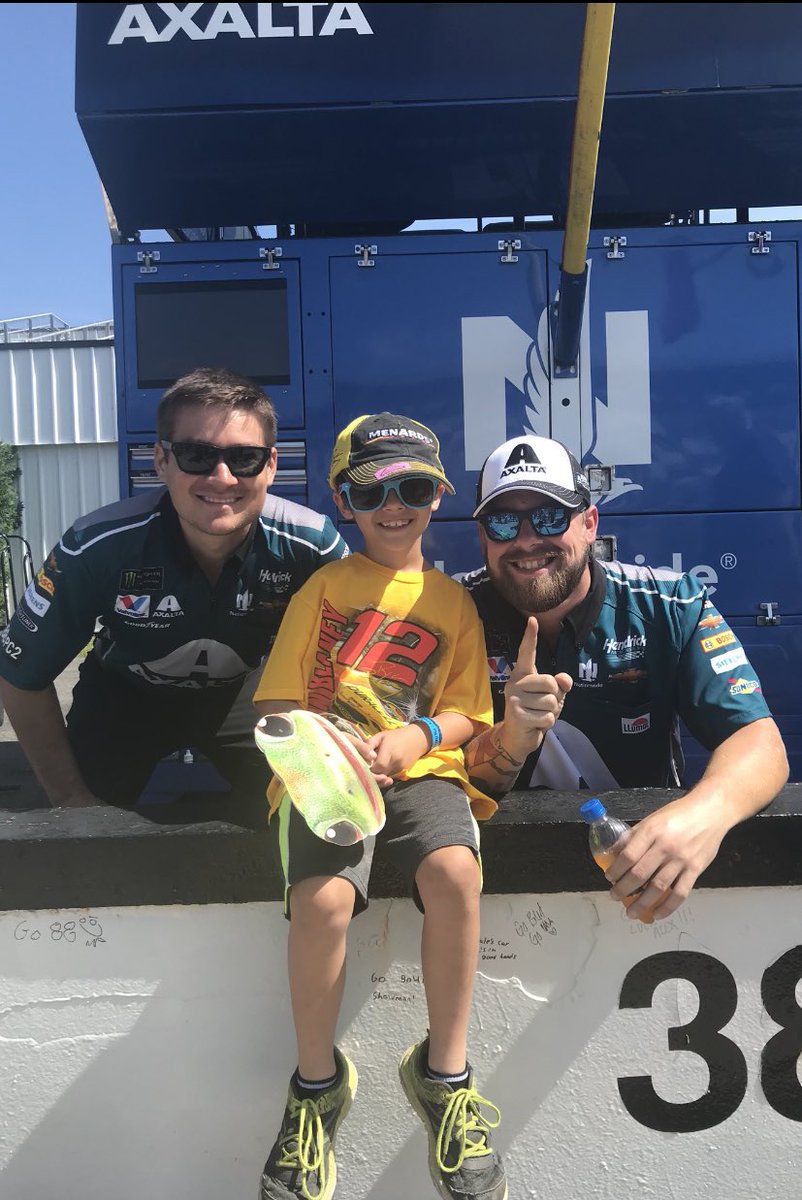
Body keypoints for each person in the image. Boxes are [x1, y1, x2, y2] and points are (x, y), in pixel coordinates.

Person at [253, 412, 507, 1200]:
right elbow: (282, 704)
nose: (395, 504)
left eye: (416, 487)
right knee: (323, 902)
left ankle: (447, 1075)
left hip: (424, 771)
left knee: (455, 876)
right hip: (323, 777)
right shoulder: (321, 590)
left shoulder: (452, 602)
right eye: (373, 489)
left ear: (438, 498)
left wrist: (418, 735)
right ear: (342, 499)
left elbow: (472, 713)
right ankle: (315, 1087)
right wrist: (327, 748)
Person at [461, 433, 789, 922]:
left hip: (641, 879)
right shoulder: (446, 613)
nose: (527, 540)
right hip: (494, 890)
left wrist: (704, 815)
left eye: (550, 518)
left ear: (590, 523)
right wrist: (508, 743)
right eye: (504, 522)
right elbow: (419, 769)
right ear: (483, 536)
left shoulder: (670, 601)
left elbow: (758, 740)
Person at [0, 367, 348, 808]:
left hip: (246, 696)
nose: (222, 478)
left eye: (244, 458)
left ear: (271, 465)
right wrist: (72, 800)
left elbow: (353, 671)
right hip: (124, 696)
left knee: (306, 809)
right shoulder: (96, 545)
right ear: (161, 460)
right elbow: (20, 677)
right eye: (196, 455)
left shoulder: (312, 545)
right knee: (85, 833)